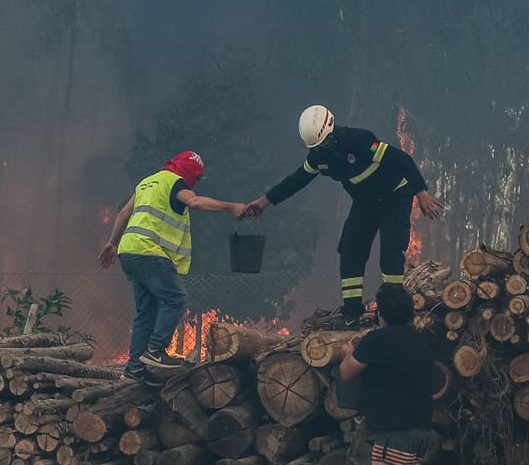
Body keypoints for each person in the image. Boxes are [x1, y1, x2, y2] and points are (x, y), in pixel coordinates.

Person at [242, 105, 444, 325]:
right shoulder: (318, 157)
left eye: (325, 144)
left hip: (394, 196)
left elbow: (401, 160)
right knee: (350, 250)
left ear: (332, 130)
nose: (322, 150)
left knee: (391, 251)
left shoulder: (359, 140)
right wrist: (264, 201)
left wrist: (421, 193)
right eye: (316, 147)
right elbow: (296, 180)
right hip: (365, 202)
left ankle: (391, 310)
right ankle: (352, 313)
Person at [99, 151, 247, 384]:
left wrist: (111, 243)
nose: (194, 183)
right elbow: (195, 202)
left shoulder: (147, 182)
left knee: (145, 313)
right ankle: (156, 351)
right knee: (176, 299)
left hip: (129, 251)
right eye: (195, 178)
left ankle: (134, 370)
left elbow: (123, 213)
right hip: (151, 253)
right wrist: (232, 207)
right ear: (188, 172)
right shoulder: (175, 182)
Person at [339, 282, 433, 465]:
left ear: (381, 313)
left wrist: (348, 351)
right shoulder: (420, 341)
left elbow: (347, 372)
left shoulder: (376, 340)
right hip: (419, 429)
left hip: (392, 433)